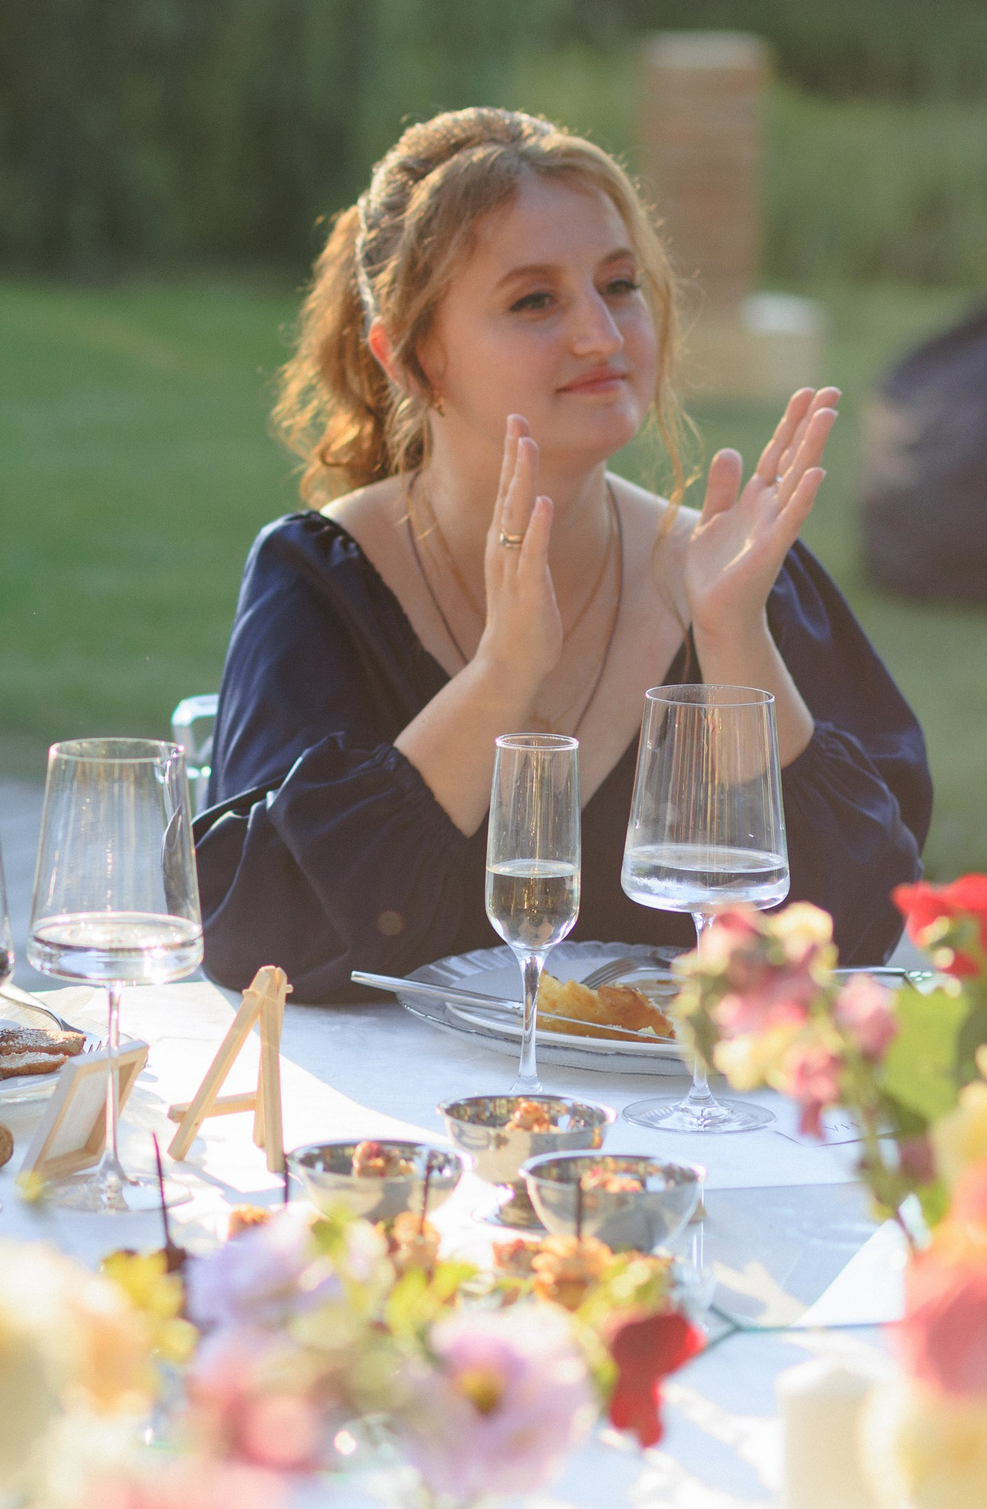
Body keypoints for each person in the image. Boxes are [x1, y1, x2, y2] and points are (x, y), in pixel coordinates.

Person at [199, 108, 929, 999]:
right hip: (402, 1134)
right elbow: (250, 936)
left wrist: (735, 638)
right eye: (535, 300)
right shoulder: (322, 582)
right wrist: (500, 677)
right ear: (411, 358)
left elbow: (856, 935)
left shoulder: (735, 576)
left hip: (685, 1133)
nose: (601, 334)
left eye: (618, 285)